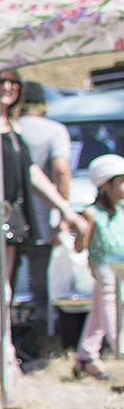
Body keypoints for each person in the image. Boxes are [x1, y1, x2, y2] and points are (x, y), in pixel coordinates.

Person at [0, 69, 82, 403]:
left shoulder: (12, 126)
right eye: (1, 80)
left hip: (9, 221)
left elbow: (31, 173)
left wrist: (64, 208)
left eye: (14, 82)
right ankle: (10, 373)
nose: (8, 87)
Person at [14, 80, 73, 368]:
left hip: (8, 221)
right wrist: (63, 212)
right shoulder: (54, 130)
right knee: (40, 289)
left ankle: (7, 345)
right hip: (41, 221)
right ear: (43, 105)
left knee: (3, 287)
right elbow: (61, 171)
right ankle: (38, 345)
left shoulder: (8, 127)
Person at [73, 153, 124, 380]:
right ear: (105, 185)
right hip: (104, 268)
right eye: (121, 181)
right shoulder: (90, 213)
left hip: (121, 268)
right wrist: (81, 231)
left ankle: (86, 356)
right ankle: (120, 349)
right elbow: (78, 247)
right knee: (111, 308)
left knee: (98, 310)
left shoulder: (121, 210)